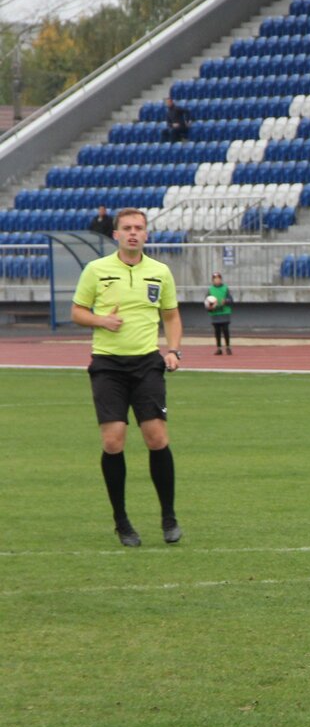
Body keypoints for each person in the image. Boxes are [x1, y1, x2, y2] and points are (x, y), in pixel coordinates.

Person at [70, 208, 184, 547]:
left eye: (139, 228)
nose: (133, 233)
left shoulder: (160, 272)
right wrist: (101, 321)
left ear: (146, 234)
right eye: (126, 228)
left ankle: (169, 516)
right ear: (116, 234)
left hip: (147, 363)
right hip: (107, 364)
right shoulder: (96, 270)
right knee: (113, 441)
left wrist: (174, 350)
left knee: (156, 437)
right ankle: (122, 521)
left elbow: (172, 316)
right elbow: (77, 312)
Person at [205, 271, 233, 355]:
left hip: (224, 313)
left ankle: (228, 347)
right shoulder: (210, 290)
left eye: (218, 279)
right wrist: (209, 307)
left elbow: (230, 300)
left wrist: (226, 301)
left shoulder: (225, 288)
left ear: (221, 280)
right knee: (217, 331)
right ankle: (219, 348)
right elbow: (206, 301)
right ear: (213, 280)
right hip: (215, 313)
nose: (217, 280)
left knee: (225, 330)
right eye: (215, 279)